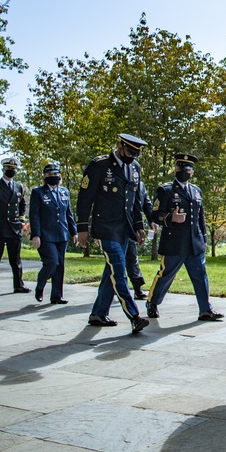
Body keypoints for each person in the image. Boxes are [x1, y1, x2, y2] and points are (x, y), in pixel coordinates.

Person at [76, 133, 150, 333]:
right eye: (130, 152)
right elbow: (85, 199)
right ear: (120, 146)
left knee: (111, 271)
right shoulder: (99, 165)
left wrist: (139, 225)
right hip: (106, 228)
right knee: (119, 271)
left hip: (124, 228)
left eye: (136, 154)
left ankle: (98, 313)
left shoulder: (135, 168)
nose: (132, 157)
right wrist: (82, 228)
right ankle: (134, 316)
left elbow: (134, 200)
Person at [146, 153, 224, 321]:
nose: (184, 171)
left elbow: (200, 217)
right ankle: (152, 302)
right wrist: (170, 218)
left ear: (192, 172)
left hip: (194, 243)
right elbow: (155, 215)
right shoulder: (165, 190)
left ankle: (205, 309)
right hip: (174, 243)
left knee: (200, 276)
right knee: (166, 275)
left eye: (187, 169)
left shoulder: (196, 191)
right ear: (175, 169)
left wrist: (203, 239)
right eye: (181, 167)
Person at [29, 162, 77, 304]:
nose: (53, 177)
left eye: (56, 174)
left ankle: (57, 295)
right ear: (44, 176)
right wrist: (35, 235)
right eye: (50, 175)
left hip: (62, 234)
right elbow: (34, 215)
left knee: (60, 265)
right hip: (45, 235)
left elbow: (68, 214)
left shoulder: (64, 192)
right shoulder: (38, 192)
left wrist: (74, 232)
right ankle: (40, 285)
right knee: (52, 262)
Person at [0, 156, 30, 293]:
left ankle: (18, 285)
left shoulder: (19, 187)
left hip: (14, 228)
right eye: (8, 168)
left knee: (15, 259)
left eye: (13, 169)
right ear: (3, 169)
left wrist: (21, 220)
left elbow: (22, 205)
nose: (11, 170)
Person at [125, 185, 155, 300]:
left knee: (132, 258)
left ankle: (137, 289)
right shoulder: (123, 180)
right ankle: (110, 289)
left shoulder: (141, 186)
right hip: (120, 226)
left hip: (133, 228)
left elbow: (146, 204)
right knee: (116, 260)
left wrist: (152, 220)